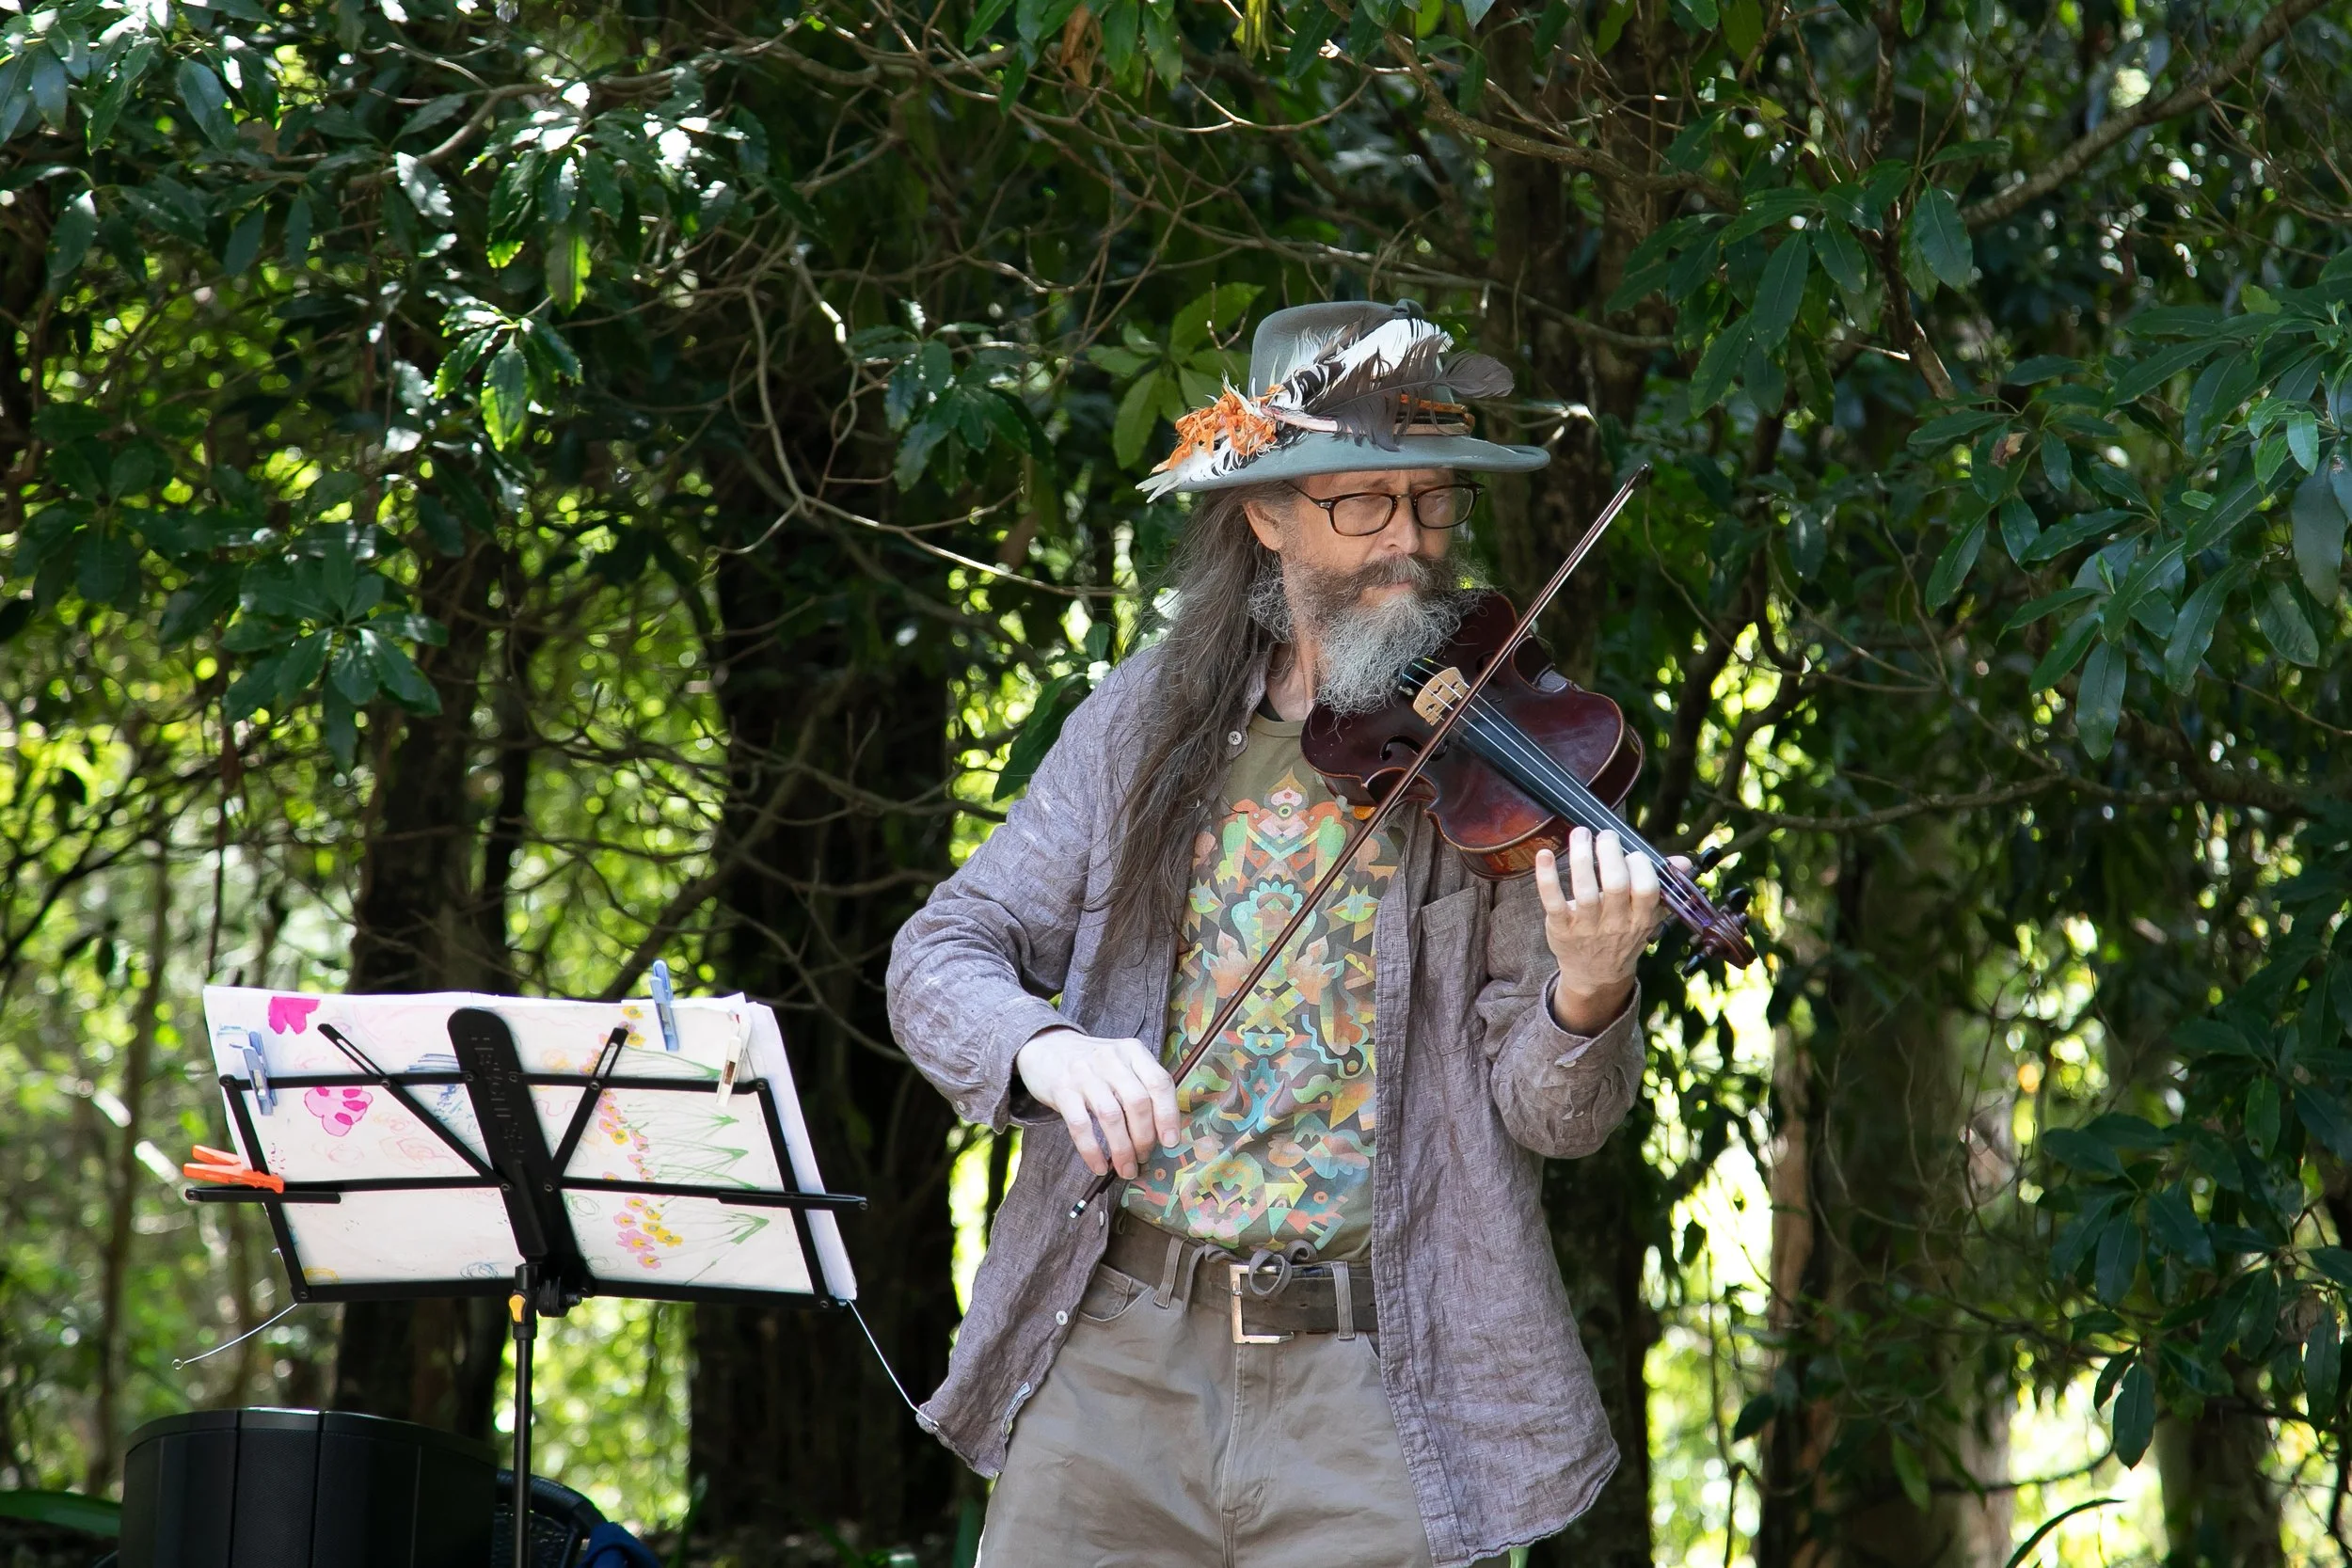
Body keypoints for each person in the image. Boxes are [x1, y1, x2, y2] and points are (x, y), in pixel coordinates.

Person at [887, 300, 1674, 1567]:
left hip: (1376, 1384)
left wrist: (1588, 992)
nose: (1410, 541)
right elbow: (943, 951)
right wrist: (1049, 1052)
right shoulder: (1144, 724)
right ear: (1265, 514)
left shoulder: (1497, 761)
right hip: (1115, 1371)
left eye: (1431, 501)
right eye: (1364, 502)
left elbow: (1553, 1116)